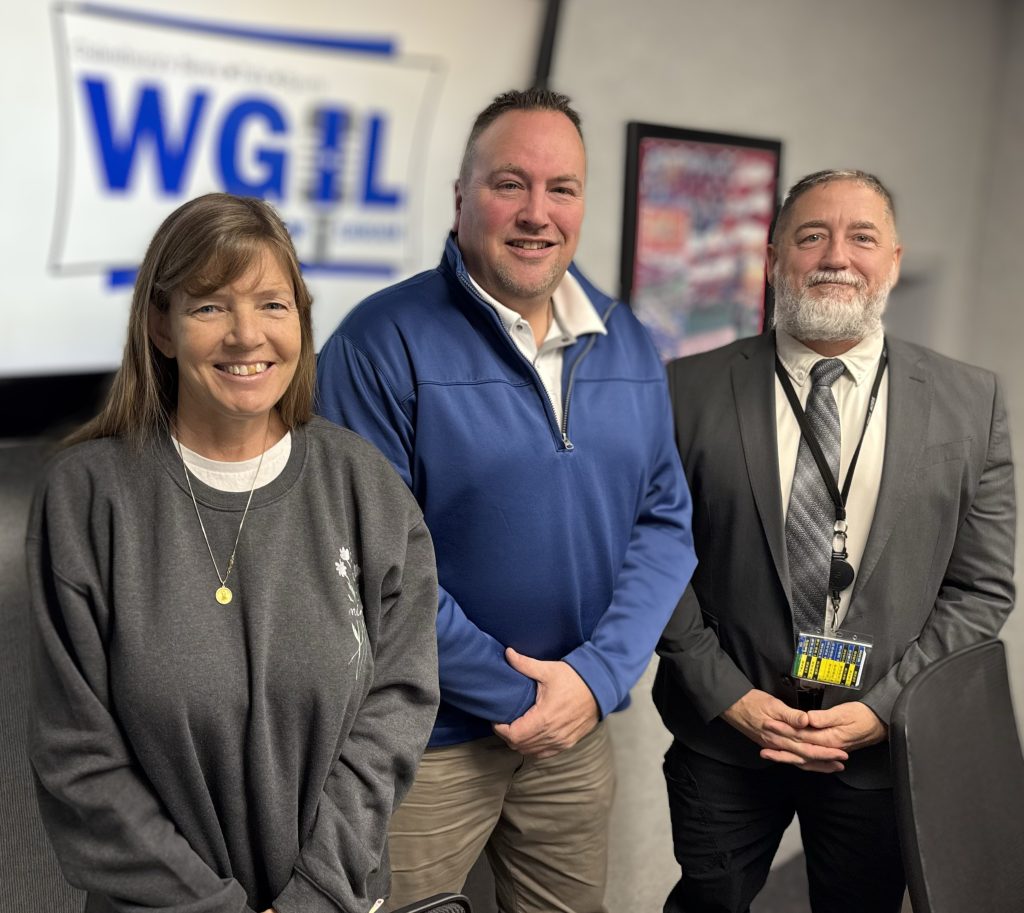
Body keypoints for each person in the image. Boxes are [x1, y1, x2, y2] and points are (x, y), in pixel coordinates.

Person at [316, 88, 697, 913]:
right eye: (509, 184)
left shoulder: (627, 340)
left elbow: (664, 524)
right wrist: (524, 695)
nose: (537, 213)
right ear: (461, 197)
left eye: (562, 188)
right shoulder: (378, 343)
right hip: (421, 742)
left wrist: (593, 680)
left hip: (575, 733)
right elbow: (370, 568)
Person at [26, 193, 440, 913]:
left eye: (273, 305)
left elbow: (396, 709)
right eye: (211, 306)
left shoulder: (364, 486)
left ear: (300, 319)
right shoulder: (86, 499)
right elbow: (79, 758)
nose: (247, 336)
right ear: (161, 326)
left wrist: (313, 897)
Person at [654, 169, 1016, 913]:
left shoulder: (971, 402)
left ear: (894, 260)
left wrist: (883, 708)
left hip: (880, 747)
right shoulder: (683, 391)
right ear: (772, 258)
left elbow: (980, 588)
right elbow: (654, 560)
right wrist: (729, 697)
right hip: (727, 738)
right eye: (812, 235)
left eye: (862, 237)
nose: (836, 256)